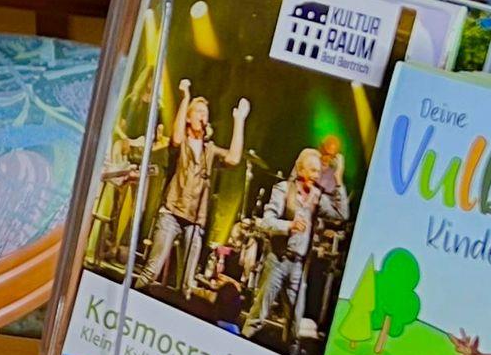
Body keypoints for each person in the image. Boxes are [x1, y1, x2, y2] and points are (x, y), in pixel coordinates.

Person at [142, 79, 249, 295]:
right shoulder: (181, 143)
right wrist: (186, 98)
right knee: (151, 271)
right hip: (172, 213)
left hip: (195, 221)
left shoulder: (209, 150)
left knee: (187, 285)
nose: (203, 116)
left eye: (205, 113)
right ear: (189, 118)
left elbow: (234, 158)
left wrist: (239, 121)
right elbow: (177, 136)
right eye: (198, 112)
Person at [251, 146, 350, 338]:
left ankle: (290, 351)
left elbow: (342, 215)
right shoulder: (284, 189)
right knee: (258, 316)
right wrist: (289, 226)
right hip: (277, 260)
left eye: (318, 172)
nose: (316, 175)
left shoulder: (317, 197)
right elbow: (266, 222)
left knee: (294, 328)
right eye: (312, 170)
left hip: (298, 266)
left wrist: (338, 179)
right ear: (301, 169)